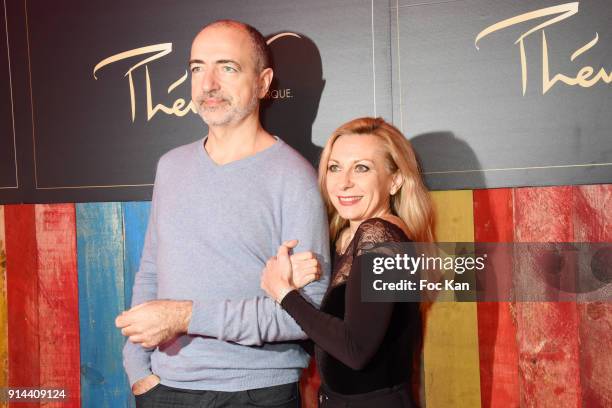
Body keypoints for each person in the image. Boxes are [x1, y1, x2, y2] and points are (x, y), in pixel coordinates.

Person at [115, 19, 330, 408]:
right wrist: (138, 370)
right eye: (197, 68)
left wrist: (187, 316)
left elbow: (306, 316)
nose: (208, 84)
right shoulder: (171, 166)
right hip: (164, 388)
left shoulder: (294, 177)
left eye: (227, 68)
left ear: (264, 83)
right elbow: (150, 271)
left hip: (256, 392)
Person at [261, 117, 434, 407]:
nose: (344, 182)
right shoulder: (342, 238)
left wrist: (285, 294)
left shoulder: (379, 236)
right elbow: (327, 344)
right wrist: (298, 290)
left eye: (362, 168)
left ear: (395, 180)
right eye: (334, 167)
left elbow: (355, 350)